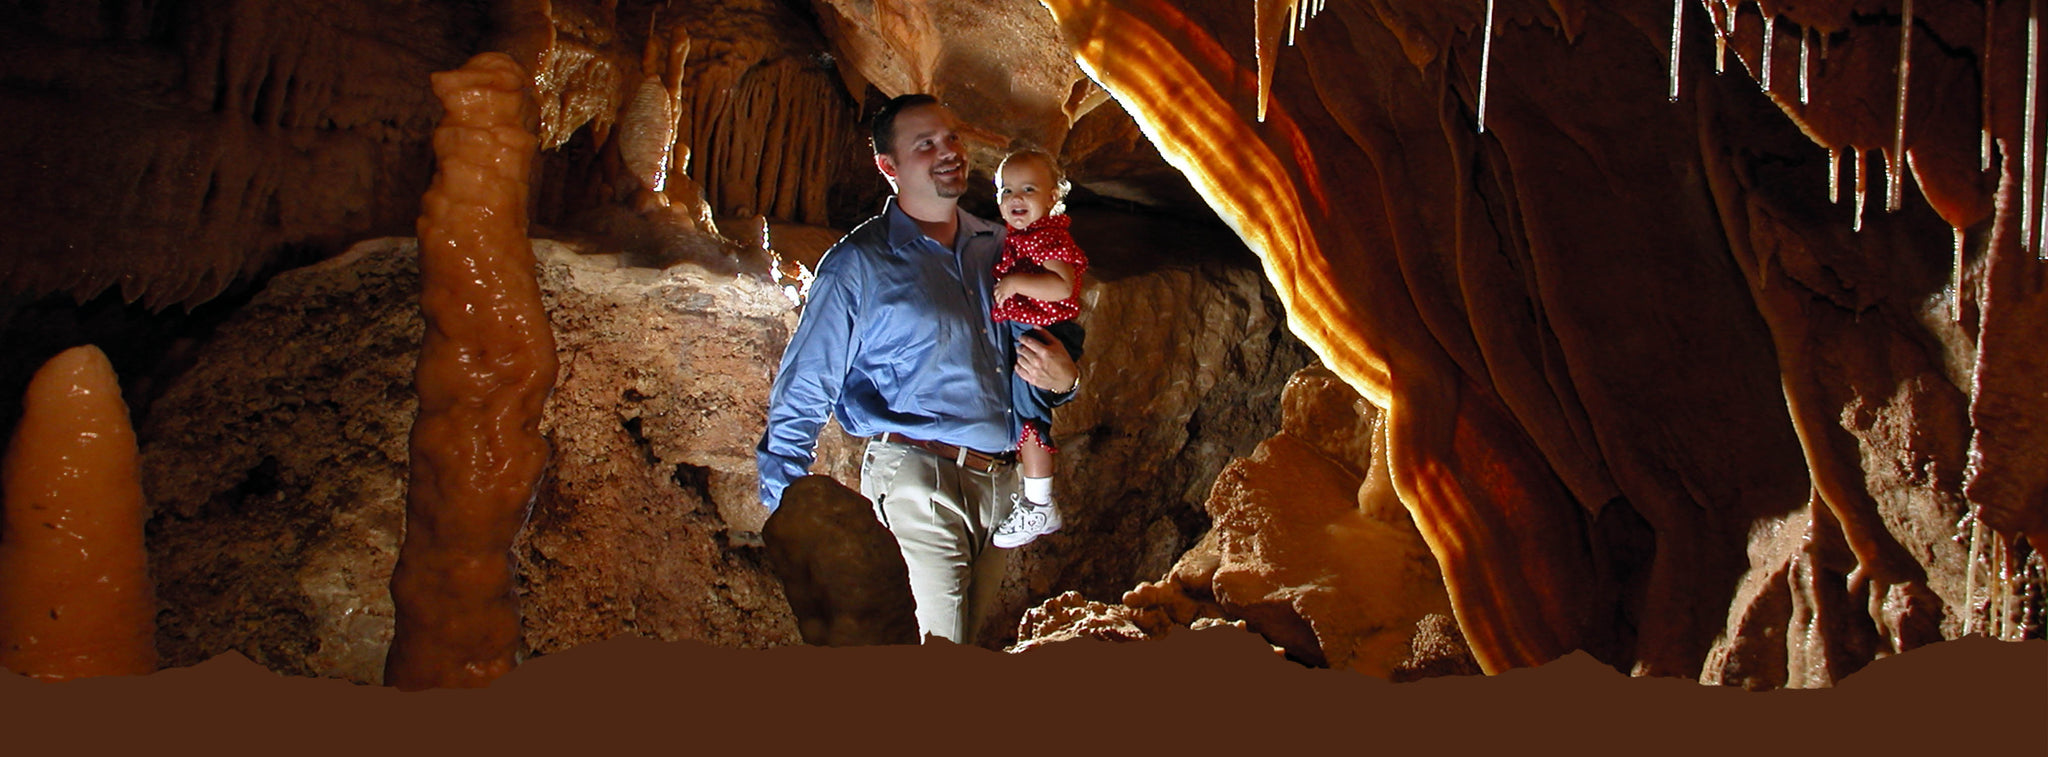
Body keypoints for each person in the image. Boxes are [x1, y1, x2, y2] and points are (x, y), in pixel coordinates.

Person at [756, 94, 1080, 644]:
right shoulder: (858, 264)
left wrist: (1067, 381)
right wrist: (789, 509)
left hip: (1001, 486)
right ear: (889, 166)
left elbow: (1040, 347)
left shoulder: (1000, 247)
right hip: (917, 480)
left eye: (951, 137)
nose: (948, 152)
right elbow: (806, 385)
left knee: (961, 652)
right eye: (925, 144)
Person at [988, 149, 1088, 549]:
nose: (1016, 198)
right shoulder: (1020, 238)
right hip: (1028, 330)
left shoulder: (1048, 237)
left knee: (1030, 416)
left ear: (1052, 198)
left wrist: (1014, 283)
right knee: (1023, 411)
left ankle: (1039, 502)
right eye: (1006, 189)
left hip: (1043, 333)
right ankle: (1034, 498)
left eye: (1029, 189)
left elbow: (1063, 286)